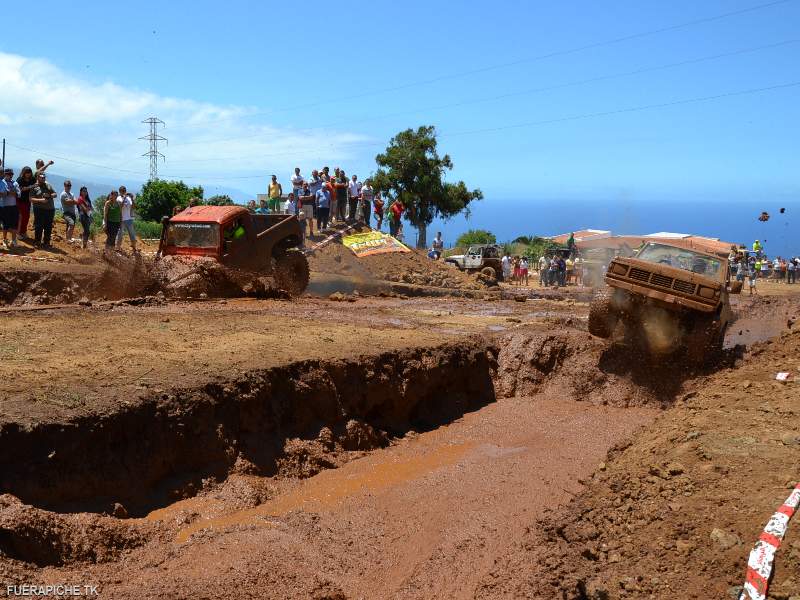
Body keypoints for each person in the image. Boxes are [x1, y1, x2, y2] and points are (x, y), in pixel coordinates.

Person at [29, 172, 57, 248]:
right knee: (39, 226)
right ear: (38, 178)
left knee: (48, 226)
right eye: (41, 177)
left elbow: (55, 194)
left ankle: (46, 242)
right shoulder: (34, 187)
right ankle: (37, 242)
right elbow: (31, 199)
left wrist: (50, 195)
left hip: (50, 209)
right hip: (39, 209)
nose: (43, 179)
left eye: (44, 177)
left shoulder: (48, 185)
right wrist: (41, 200)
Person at [0, 168, 21, 249]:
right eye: (8, 174)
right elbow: (4, 193)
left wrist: (9, 193)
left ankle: (14, 240)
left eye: (11, 174)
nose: (10, 176)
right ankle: (4, 239)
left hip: (13, 206)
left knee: (14, 224)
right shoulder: (2, 182)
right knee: (5, 224)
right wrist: (11, 192)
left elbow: (19, 194)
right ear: (4, 174)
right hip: (4, 206)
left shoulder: (15, 183)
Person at [116, 186, 137, 251]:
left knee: (132, 233)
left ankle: (134, 246)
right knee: (120, 233)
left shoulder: (129, 198)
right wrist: (125, 198)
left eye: (124, 190)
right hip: (122, 219)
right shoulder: (118, 198)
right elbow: (120, 206)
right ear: (120, 191)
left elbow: (134, 207)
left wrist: (132, 199)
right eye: (122, 190)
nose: (124, 192)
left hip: (129, 218)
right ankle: (118, 247)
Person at [15, 166, 34, 239]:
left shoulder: (32, 179)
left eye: (29, 173)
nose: (28, 174)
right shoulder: (20, 179)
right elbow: (19, 189)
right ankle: (18, 232)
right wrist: (29, 187)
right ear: (24, 173)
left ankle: (23, 231)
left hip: (27, 201)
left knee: (26, 217)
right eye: (27, 173)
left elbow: (38, 174)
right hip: (19, 200)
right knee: (20, 217)